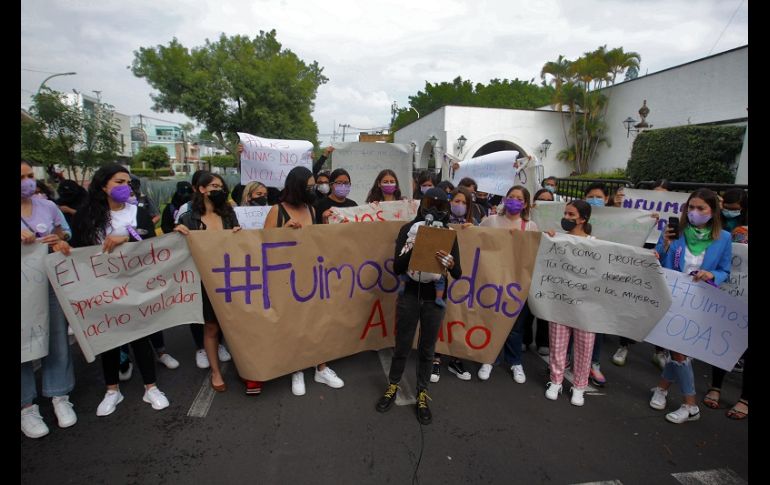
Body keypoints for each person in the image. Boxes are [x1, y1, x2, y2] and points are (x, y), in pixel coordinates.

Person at [71, 163, 170, 416]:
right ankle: (112, 390)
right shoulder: (86, 216)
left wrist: (127, 236)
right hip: (103, 290)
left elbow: (149, 242)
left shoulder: (138, 213)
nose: (125, 187)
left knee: (140, 337)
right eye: (118, 182)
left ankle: (151, 388)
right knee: (110, 341)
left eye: (127, 182)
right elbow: (77, 249)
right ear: (103, 186)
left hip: (136, 287)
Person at [376, 187, 462, 425]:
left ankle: (422, 392)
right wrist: (419, 244)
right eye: (429, 204)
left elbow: (458, 273)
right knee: (402, 344)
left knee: (427, 349)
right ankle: (393, 386)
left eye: (440, 206)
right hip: (410, 295)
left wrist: (450, 261)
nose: (433, 210)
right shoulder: (407, 230)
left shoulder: (449, 234)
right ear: (421, 205)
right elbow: (397, 267)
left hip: (434, 300)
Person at [649, 188, 732, 423]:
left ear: (712, 211)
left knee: (679, 351)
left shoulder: (723, 238)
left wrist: (710, 274)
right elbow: (661, 262)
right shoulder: (676, 232)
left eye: (701, 208)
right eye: (691, 207)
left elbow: (724, 270)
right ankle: (664, 390)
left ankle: (690, 405)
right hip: (673, 298)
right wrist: (663, 245)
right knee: (678, 350)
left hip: (700, 301)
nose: (695, 212)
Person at [21, 161, 77, 439]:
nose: (28, 182)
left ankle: (59, 395)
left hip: (50, 284)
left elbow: (65, 232)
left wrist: (60, 239)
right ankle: (27, 406)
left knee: (57, 339)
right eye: (22, 177)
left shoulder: (48, 207)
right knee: (22, 344)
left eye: (30, 176)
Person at [175, 173, 241, 394]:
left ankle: (244, 365)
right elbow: (178, 251)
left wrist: (239, 235)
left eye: (221, 186)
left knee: (234, 324)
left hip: (230, 277)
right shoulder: (188, 218)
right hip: (204, 281)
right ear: (201, 189)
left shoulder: (229, 214)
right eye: (214, 186)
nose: (219, 189)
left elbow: (239, 244)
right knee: (211, 327)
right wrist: (177, 235)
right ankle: (216, 372)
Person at [477, 185, 539, 384]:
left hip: (516, 285)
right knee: (492, 320)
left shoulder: (530, 227)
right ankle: (489, 358)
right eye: (511, 197)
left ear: (526, 203)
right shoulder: (492, 221)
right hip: (493, 281)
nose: (514, 200)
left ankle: (515, 362)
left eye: (519, 198)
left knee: (515, 325)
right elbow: (476, 239)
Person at [543, 200, 597, 406]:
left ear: (583, 219)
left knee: (585, 346)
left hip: (586, 306)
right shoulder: (558, 239)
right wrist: (548, 238)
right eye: (565, 213)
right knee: (557, 343)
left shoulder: (595, 242)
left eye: (571, 215)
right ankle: (555, 381)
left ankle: (580, 386)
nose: (566, 218)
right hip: (561, 300)